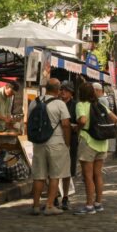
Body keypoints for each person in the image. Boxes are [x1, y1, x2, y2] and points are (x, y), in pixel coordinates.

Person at [28, 79, 72, 216]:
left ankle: (35, 205)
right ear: (58, 90)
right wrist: (67, 142)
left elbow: (28, 121)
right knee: (55, 175)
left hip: (39, 143)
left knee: (39, 175)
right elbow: (65, 124)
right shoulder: (60, 104)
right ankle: (49, 205)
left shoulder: (34, 102)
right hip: (56, 142)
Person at [74, 82, 116, 215]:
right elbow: (115, 118)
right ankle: (98, 203)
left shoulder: (81, 104)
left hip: (88, 142)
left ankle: (89, 205)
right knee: (98, 174)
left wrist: (77, 128)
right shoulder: (100, 105)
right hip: (102, 143)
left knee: (88, 176)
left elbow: (82, 120)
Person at [58, 81, 79, 211]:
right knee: (54, 169)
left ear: (71, 93)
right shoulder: (56, 103)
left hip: (71, 139)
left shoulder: (75, 105)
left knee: (67, 170)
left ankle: (65, 197)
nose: (63, 92)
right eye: (62, 90)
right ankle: (54, 195)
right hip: (56, 139)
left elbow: (78, 124)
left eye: (66, 90)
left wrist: (72, 126)